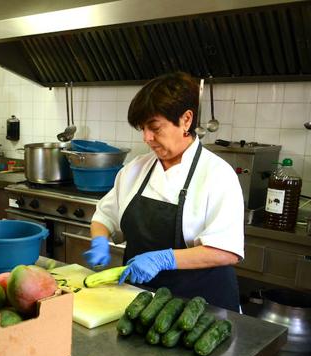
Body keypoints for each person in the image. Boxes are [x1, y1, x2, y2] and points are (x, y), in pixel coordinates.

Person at [83, 72, 244, 311]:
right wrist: (99, 240)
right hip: (140, 302)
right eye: (143, 129)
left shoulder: (218, 174)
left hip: (201, 310)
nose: (147, 138)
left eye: (155, 127)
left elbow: (226, 251)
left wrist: (164, 259)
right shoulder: (135, 169)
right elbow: (104, 217)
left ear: (186, 120)